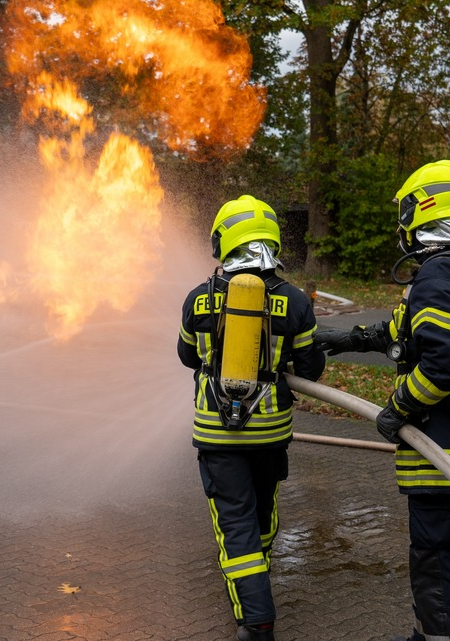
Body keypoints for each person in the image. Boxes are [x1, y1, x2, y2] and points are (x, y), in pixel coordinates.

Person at [316, 160, 450, 641]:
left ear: (423, 212)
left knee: (442, 563)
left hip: (445, 447)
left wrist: (399, 407)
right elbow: (406, 332)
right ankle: (428, 634)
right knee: (438, 556)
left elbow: (443, 364)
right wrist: (345, 339)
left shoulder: (441, 274)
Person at [177, 194, 326, 641]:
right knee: (262, 515)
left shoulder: (198, 299)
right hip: (270, 434)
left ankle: (256, 619)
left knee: (235, 526)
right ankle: (252, 583)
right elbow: (310, 369)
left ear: (224, 242)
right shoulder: (295, 300)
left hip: (217, 435)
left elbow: (187, 357)